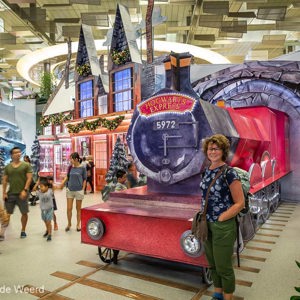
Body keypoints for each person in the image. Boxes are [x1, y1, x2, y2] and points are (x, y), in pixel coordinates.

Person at [200, 134, 244, 300]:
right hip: (206, 224)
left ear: (223, 151)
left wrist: (222, 217)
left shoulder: (230, 173)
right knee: (212, 263)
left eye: (216, 148)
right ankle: (217, 293)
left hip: (222, 226)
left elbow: (240, 203)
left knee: (223, 265)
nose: (212, 151)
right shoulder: (206, 171)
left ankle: (228, 297)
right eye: (210, 148)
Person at [2, 146, 33, 239]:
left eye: (19, 152)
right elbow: (5, 180)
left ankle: (23, 230)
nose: (18, 154)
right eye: (15, 152)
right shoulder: (8, 167)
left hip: (22, 194)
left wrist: (25, 190)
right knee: (7, 213)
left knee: (24, 213)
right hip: (11, 193)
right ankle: (2, 232)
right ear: (11, 155)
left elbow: (29, 178)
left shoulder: (26, 165)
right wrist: (4, 192)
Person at [60, 152, 87, 232]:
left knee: (78, 209)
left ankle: (78, 224)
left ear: (76, 159)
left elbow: (85, 179)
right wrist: (62, 184)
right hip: (70, 190)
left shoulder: (82, 168)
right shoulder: (70, 168)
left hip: (79, 190)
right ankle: (69, 224)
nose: (70, 160)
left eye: (71, 158)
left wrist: (83, 189)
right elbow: (67, 177)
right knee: (69, 208)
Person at [36, 177, 54, 241]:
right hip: (43, 210)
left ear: (47, 187)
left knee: (48, 222)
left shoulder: (50, 191)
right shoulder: (39, 192)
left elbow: (53, 188)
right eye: (40, 187)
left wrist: (50, 183)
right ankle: (47, 230)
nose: (41, 188)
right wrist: (37, 183)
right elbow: (33, 189)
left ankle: (49, 234)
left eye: (42, 186)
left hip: (49, 209)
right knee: (45, 221)